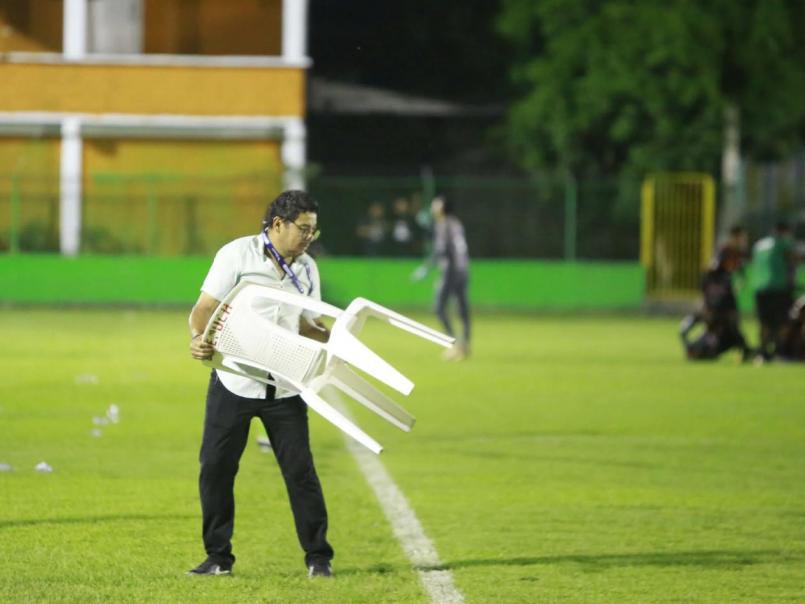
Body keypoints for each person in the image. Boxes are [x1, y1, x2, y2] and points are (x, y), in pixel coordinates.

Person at [187, 190, 334, 579]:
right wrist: (200, 338)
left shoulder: (307, 269)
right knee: (216, 469)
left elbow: (306, 323)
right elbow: (204, 308)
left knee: (300, 473)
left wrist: (332, 337)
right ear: (278, 225)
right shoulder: (236, 255)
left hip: (284, 387)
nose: (308, 238)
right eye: (303, 229)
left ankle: (319, 557)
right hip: (234, 380)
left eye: (313, 232)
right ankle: (218, 557)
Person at [679, 226, 752, 361]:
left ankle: (742, 350)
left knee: (732, 327)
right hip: (718, 301)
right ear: (735, 237)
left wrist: (736, 286)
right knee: (727, 325)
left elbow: (741, 274)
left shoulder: (736, 256)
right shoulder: (724, 253)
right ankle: (701, 348)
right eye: (741, 237)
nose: (743, 240)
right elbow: (712, 273)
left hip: (723, 299)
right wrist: (708, 298)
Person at [412, 195, 471, 360]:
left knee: (439, 307)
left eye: (435, 206)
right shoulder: (455, 223)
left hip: (450, 270)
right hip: (463, 269)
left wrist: (426, 267)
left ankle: (455, 344)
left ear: (441, 208)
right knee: (462, 308)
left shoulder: (443, 225)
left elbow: (441, 250)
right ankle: (465, 344)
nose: (432, 208)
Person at [751, 222, 796, 361]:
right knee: (782, 322)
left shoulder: (759, 245)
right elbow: (792, 260)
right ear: (784, 232)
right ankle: (779, 351)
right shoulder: (782, 244)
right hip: (778, 288)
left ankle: (763, 352)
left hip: (759, 288)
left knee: (764, 322)